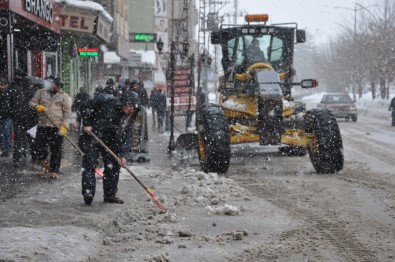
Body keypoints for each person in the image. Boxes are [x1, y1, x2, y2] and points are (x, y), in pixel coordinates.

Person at [78, 90, 140, 205]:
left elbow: (127, 136)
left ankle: (110, 195)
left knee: (113, 166)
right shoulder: (106, 100)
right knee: (90, 164)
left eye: (134, 107)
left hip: (111, 141)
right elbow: (86, 106)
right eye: (130, 106)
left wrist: (123, 155)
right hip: (93, 136)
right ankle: (88, 193)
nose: (131, 109)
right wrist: (87, 123)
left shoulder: (128, 117)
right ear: (124, 102)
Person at [29, 76, 72, 179]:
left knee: (56, 150)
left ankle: (54, 170)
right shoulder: (41, 92)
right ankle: (44, 166)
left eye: (58, 85)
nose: (56, 86)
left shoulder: (65, 96)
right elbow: (31, 102)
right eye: (54, 84)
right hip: (43, 125)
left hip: (56, 127)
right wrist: (36, 106)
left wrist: (64, 127)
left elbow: (67, 114)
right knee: (40, 148)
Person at [7, 69, 38, 167]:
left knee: (18, 139)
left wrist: (13, 113)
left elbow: (9, 103)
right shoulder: (30, 89)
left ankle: (17, 159)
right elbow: (34, 103)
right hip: (29, 117)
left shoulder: (12, 88)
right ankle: (33, 158)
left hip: (19, 117)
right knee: (31, 138)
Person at [131, 80, 149, 152]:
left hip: (139, 109)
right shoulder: (142, 90)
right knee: (143, 124)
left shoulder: (138, 91)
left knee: (138, 125)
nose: (137, 86)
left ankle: (139, 140)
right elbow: (146, 99)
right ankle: (144, 137)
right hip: (141, 109)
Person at [0, 77, 12, 157]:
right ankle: (5, 148)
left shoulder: (8, 93)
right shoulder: (8, 93)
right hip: (4, 116)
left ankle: (6, 148)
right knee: (3, 133)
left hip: (7, 116)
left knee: (6, 133)